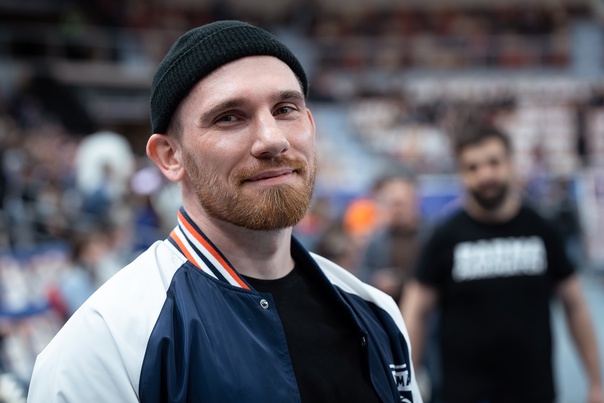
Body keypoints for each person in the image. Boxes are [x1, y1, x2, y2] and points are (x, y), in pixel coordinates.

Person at [27, 20, 423, 403]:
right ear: (170, 156)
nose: (272, 140)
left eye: (285, 109)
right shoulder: (104, 344)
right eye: (229, 117)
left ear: (310, 124)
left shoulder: (376, 312)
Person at [402, 125, 604, 403]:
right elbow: (416, 311)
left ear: (511, 164)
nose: (485, 175)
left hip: (533, 392)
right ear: (461, 174)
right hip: (464, 394)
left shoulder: (541, 229)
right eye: (472, 167)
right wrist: (406, 387)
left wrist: (595, 382)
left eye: (494, 163)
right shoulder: (444, 236)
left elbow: (576, 305)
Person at [357, 170, 422, 303]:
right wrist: (376, 279)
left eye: (400, 203)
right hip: (387, 306)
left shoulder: (430, 236)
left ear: (414, 201)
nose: (397, 210)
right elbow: (362, 274)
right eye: (392, 204)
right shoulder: (377, 241)